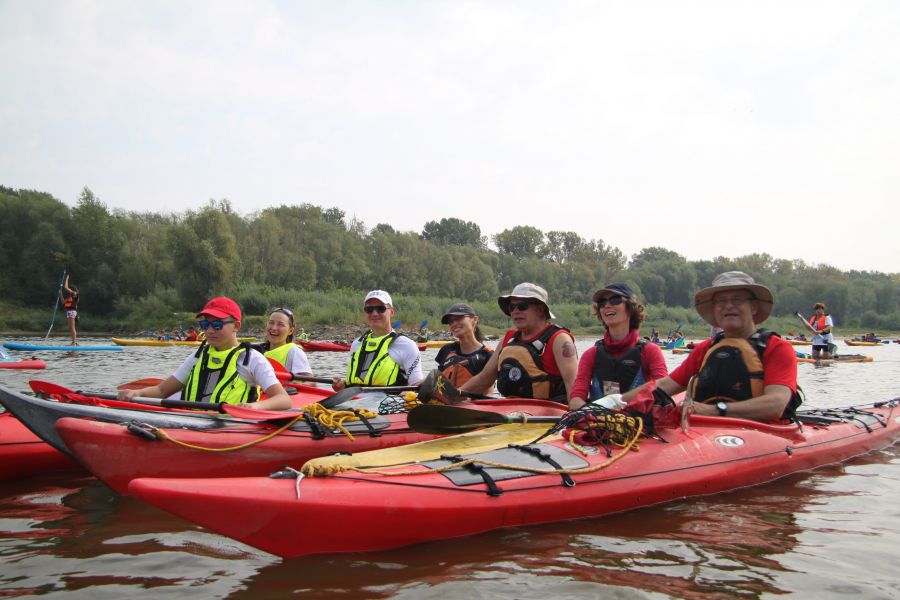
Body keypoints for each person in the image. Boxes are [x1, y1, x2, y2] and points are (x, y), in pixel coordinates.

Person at [622, 271, 799, 422]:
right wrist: (616, 402)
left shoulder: (777, 348)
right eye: (721, 301)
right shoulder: (705, 349)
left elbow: (776, 404)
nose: (728, 306)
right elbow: (666, 384)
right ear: (714, 309)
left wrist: (714, 410)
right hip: (705, 435)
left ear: (753, 306)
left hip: (764, 436)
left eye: (737, 300)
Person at [118, 297, 291, 410]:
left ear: (236, 326)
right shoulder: (198, 356)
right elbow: (162, 390)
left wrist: (254, 407)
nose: (209, 330)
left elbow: (283, 400)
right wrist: (137, 394)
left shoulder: (251, 359)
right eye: (205, 325)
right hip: (193, 424)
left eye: (217, 325)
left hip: (230, 428)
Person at [459, 282, 578, 403]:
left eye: (522, 306)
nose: (515, 311)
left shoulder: (560, 339)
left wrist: (575, 416)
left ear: (541, 310)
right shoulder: (508, 338)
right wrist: (453, 394)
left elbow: (574, 387)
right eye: (512, 307)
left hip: (551, 412)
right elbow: (484, 378)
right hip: (513, 410)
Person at [569, 283, 668, 410]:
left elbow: (664, 391)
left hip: (639, 423)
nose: (607, 306)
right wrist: (589, 414)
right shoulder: (591, 354)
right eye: (602, 303)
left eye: (615, 300)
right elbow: (576, 400)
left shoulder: (650, 351)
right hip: (599, 424)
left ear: (630, 308)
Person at [332, 290, 424, 391]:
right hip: (354, 404)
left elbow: (416, 385)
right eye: (369, 309)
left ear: (392, 312)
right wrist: (343, 387)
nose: (374, 313)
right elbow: (363, 378)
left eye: (381, 309)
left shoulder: (407, 345)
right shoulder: (357, 344)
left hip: (389, 405)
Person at [434, 303, 494, 394]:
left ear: (474, 320)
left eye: (459, 318)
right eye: (451, 322)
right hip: (446, 405)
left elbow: (488, 391)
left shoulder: (488, 356)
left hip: (472, 406)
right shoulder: (447, 349)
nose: (454, 324)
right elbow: (437, 378)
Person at [258, 307, 313, 378]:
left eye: (280, 324)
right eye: (271, 323)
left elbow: (309, 382)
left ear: (290, 331)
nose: (274, 328)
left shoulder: (294, 352)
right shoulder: (256, 352)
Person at [60, 274, 79, 345]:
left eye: (70, 290)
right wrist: (60, 294)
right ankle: (73, 342)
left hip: (72, 312)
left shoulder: (75, 294)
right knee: (71, 327)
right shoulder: (70, 298)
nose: (69, 291)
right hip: (69, 312)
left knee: (72, 327)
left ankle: (74, 343)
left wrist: (67, 278)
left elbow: (65, 287)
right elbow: (62, 302)